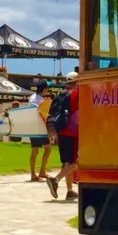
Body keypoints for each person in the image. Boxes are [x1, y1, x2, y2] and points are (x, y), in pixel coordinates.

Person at [47, 72, 79, 200]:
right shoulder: (76, 94)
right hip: (73, 132)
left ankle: (70, 191)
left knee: (67, 162)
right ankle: (55, 180)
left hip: (61, 130)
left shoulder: (60, 94)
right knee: (76, 161)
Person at [29, 81, 52, 182]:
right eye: (47, 88)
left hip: (33, 127)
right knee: (47, 149)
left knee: (35, 151)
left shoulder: (33, 98)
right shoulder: (38, 100)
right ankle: (40, 172)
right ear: (44, 89)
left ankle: (35, 174)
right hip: (39, 128)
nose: (47, 90)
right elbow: (38, 112)